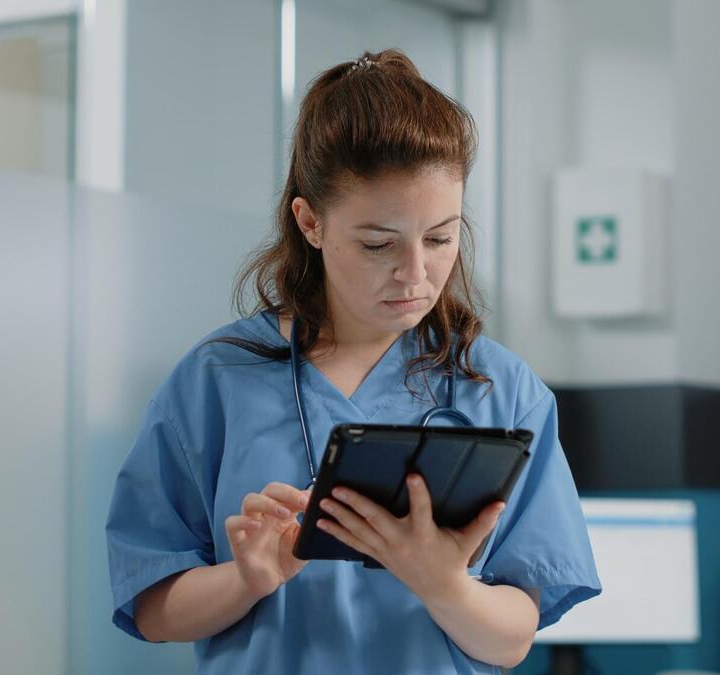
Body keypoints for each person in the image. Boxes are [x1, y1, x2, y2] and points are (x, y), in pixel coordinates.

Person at [106, 49, 600, 674]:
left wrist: (442, 583)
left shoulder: (502, 391)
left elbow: (512, 638)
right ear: (310, 221)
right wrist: (248, 579)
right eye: (378, 244)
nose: (416, 274)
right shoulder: (217, 381)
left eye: (441, 237)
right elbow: (150, 606)